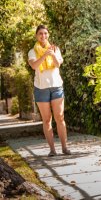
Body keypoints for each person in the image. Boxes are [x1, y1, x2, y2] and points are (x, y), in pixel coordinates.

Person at [28, 25, 71, 157]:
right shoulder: (32, 52)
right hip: (41, 88)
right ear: (36, 36)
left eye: (45, 33)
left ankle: (65, 148)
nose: (43, 36)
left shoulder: (55, 49)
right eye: (40, 34)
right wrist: (44, 55)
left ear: (48, 35)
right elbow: (34, 66)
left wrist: (51, 55)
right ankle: (52, 150)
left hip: (56, 86)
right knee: (47, 120)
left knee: (60, 117)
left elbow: (58, 65)